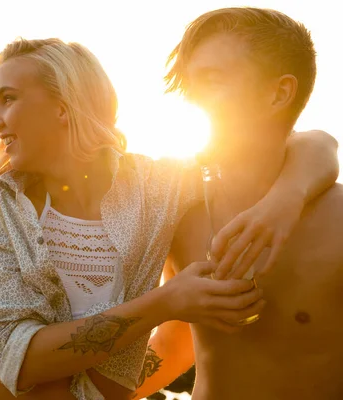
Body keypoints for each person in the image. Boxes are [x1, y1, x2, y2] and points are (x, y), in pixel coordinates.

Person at [0, 38, 339, 400]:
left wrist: (285, 200)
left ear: (62, 105)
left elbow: (312, 143)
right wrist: (165, 302)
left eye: (8, 99)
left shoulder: (160, 188)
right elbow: (18, 361)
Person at [133, 7, 342, 400]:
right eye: (188, 83)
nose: (191, 97)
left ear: (279, 93)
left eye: (212, 81)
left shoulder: (338, 220)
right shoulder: (179, 213)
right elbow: (178, 343)